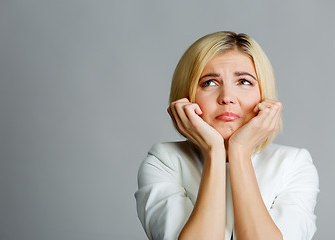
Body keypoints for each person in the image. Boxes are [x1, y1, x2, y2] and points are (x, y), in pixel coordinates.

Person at [135, 31, 319, 240]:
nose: (227, 97)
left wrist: (239, 152)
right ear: (187, 97)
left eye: (243, 81)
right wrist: (214, 151)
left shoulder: (293, 164)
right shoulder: (163, 160)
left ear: (263, 94)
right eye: (209, 83)